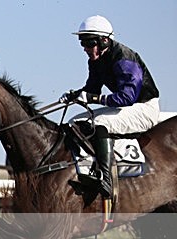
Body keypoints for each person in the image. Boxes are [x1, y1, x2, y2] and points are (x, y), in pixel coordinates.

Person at [59, 15, 160, 198]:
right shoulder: (96, 60)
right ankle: (89, 169)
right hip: (127, 108)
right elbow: (91, 89)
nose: (85, 48)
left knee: (100, 123)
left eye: (89, 43)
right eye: (82, 43)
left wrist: (92, 97)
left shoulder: (124, 59)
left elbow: (127, 97)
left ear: (104, 40)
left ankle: (106, 179)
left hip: (144, 108)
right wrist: (75, 95)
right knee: (76, 121)